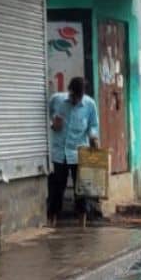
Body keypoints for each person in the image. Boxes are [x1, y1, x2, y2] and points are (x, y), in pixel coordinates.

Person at [48, 77, 99, 226]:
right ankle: (52, 220)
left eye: (79, 97)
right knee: (57, 187)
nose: (76, 100)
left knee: (81, 190)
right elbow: (47, 115)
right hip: (60, 153)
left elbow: (93, 125)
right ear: (69, 92)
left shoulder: (90, 104)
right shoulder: (57, 100)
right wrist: (53, 123)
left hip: (79, 153)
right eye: (74, 97)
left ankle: (82, 222)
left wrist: (93, 137)